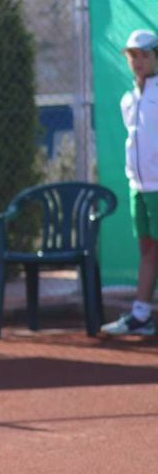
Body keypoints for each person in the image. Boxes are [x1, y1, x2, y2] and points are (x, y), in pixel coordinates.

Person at [101, 29, 158, 336]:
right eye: (132, 56)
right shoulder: (128, 99)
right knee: (148, 248)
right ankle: (141, 315)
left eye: (144, 55)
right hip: (140, 187)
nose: (137, 61)